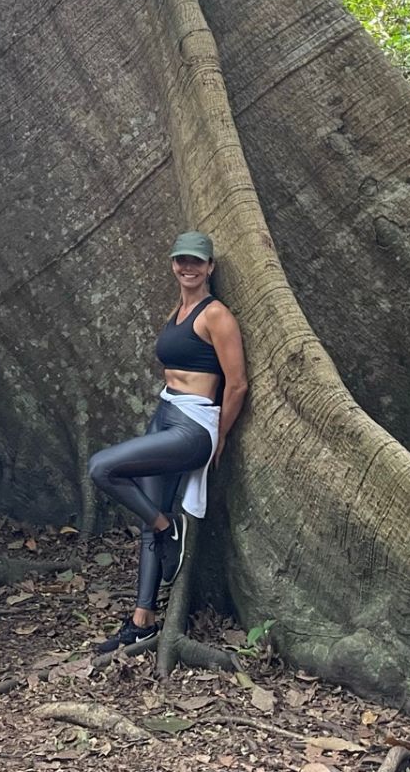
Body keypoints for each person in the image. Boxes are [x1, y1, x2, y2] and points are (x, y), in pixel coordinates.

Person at [85, 231, 248, 654]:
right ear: (174, 264)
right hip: (164, 416)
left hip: (192, 428)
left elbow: (237, 385)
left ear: (210, 267)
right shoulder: (179, 310)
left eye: (197, 261)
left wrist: (221, 437)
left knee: (103, 468)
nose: (188, 268)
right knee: (147, 521)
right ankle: (143, 620)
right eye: (181, 261)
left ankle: (167, 526)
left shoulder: (217, 315)